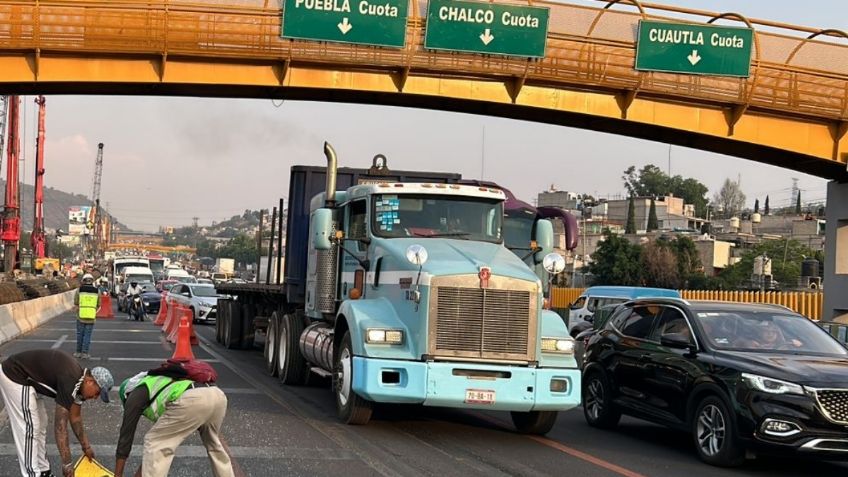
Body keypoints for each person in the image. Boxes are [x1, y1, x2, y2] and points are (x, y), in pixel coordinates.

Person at [0, 350, 113, 477]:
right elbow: (60, 426)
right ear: (90, 381)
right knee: (29, 428)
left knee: (41, 423)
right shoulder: (71, 380)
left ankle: (43, 471)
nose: (95, 397)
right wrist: (67, 464)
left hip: (29, 380)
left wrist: (86, 447)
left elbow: (75, 418)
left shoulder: (80, 384)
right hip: (15, 375)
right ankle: (31, 474)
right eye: (97, 393)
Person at [115, 366, 234, 477]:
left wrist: (117, 475)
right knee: (214, 445)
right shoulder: (157, 382)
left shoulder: (134, 395)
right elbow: (153, 455)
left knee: (155, 443)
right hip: (216, 395)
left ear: (126, 395)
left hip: (193, 398)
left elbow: (125, 439)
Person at [73, 274, 100, 360]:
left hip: (80, 316)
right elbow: (99, 304)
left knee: (80, 334)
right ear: (92, 281)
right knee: (87, 335)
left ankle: (78, 352)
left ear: (83, 281)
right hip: (91, 317)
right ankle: (85, 353)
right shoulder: (97, 291)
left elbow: (76, 303)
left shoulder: (79, 290)